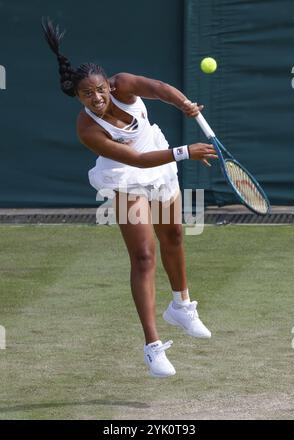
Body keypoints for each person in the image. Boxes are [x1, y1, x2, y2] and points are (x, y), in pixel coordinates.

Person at [42, 18, 218, 378]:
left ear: (108, 83)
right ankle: (153, 348)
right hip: (127, 178)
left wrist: (184, 103)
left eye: (99, 89)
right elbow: (135, 160)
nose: (97, 98)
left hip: (160, 162)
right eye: (87, 95)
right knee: (143, 256)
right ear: (78, 97)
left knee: (175, 236)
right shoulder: (87, 128)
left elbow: (158, 88)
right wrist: (184, 152)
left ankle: (182, 307)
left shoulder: (123, 84)